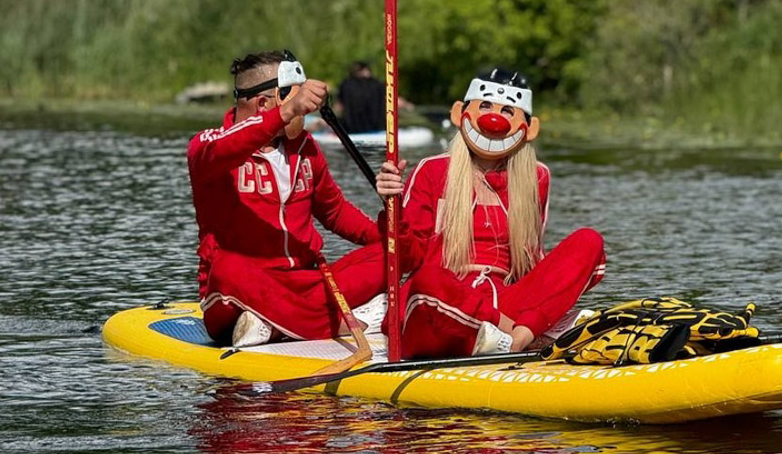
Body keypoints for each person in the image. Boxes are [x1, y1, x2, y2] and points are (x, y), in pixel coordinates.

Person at [375, 67, 605, 359]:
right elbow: (408, 258)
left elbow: (533, 258)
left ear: (528, 128)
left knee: (589, 241)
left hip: (506, 302)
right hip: (446, 301)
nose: (493, 119)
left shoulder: (537, 177)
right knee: (429, 280)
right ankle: (513, 334)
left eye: (508, 110)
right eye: (484, 106)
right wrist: (390, 207)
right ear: (461, 113)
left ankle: (519, 336)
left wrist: (546, 301)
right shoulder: (431, 170)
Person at [187, 50, 385, 348]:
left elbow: (336, 213)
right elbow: (227, 145)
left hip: (305, 286)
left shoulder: (307, 149)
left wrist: (388, 238)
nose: (304, 112)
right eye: (296, 100)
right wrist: (287, 112)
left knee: (403, 247)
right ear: (266, 103)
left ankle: (277, 326)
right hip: (239, 291)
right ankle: (349, 320)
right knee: (227, 267)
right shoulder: (208, 146)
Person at [334, 60, 387, 134]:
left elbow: (338, 106)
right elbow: (392, 102)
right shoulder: (377, 84)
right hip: (377, 129)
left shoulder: (346, 84)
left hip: (351, 130)